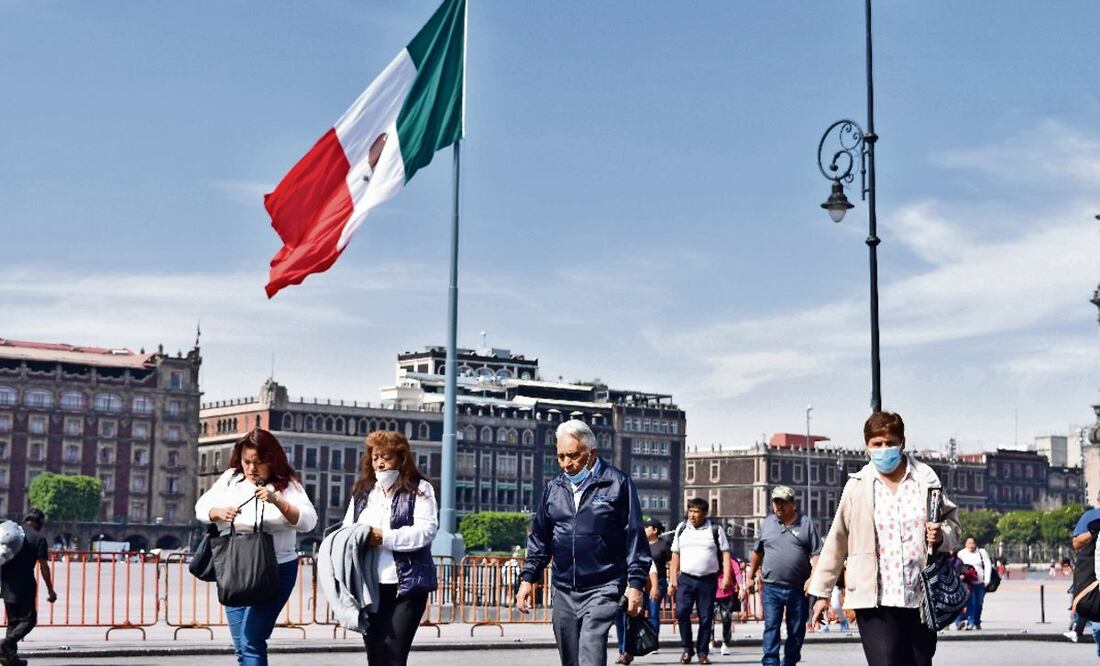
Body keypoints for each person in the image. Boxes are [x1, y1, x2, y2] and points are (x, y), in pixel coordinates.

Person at [808, 411, 961, 666]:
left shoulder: (924, 479)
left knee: (920, 663)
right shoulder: (857, 486)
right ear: (867, 447)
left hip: (919, 597)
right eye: (877, 444)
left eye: (890, 442)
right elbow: (837, 540)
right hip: (874, 599)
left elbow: (953, 526)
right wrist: (822, 594)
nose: (884, 449)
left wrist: (941, 535)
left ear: (902, 442)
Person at [516, 419, 651, 666]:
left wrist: (636, 584)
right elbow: (540, 538)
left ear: (592, 453)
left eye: (573, 456)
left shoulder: (617, 484)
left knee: (590, 646)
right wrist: (528, 579)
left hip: (605, 584)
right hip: (564, 587)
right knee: (570, 659)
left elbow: (634, 536)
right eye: (560, 457)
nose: (566, 464)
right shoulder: (553, 488)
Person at [195, 429, 318, 666]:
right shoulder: (232, 477)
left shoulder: (287, 485)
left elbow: (308, 521)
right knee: (242, 645)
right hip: (234, 568)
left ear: (272, 460)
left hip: (276, 570)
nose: (251, 468)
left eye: (259, 462)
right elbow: (202, 508)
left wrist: (277, 501)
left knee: (251, 638)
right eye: (246, 461)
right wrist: (218, 512)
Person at [343, 430, 438, 666]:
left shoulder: (420, 489)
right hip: (369, 586)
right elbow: (346, 530)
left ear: (401, 459)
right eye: (375, 457)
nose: (380, 463)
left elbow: (426, 531)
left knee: (393, 657)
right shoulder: (363, 491)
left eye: (386, 457)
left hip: (406, 587)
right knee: (375, 656)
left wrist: (384, 537)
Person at [741, 485, 821, 666]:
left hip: (798, 588)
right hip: (771, 587)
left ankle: (790, 662)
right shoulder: (768, 523)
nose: (779, 507)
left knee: (796, 629)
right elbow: (758, 552)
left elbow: (816, 554)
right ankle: (770, 662)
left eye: (783, 503)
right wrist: (750, 576)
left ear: (793, 504)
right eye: (776, 502)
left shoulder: (806, 524)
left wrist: (812, 578)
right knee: (771, 627)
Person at [668, 498, 731, 664]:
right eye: (690, 511)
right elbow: (675, 554)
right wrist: (672, 579)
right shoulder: (682, 528)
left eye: (696, 512)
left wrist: (726, 577)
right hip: (686, 579)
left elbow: (725, 554)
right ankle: (687, 649)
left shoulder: (715, 529)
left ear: (704, 513)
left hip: (707, 580)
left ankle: (702, 652)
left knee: (705, 617)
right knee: (682, 613)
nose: (692, 515)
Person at [0, 509, 56, 666]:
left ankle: (10, 658)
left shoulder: (12, 533)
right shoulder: (38, 538)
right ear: (41, 524)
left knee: (13, 622)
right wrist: (50, 590)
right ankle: (6, 643)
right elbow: (44, 567)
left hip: (6, 584)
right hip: (25, 585)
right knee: (29, 620)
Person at [614, 517, 671, 664]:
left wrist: (655, 587)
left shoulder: (638, 545)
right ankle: (623, 650)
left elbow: (650, 567)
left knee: (637, 617)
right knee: (620, 620)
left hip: (635, 587)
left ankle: (632, 648)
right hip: (618, 588)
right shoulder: (614, 544)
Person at [956, 536, 992, 630]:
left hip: (980, 582)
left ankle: (976, 621)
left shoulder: (981, 552)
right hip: (966, 583)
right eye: (969, 543)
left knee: (978, 603)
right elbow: (957, 566)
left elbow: (988, 565)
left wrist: (987, 579)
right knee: (968, 603)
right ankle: (966, 622)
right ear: (965, 544)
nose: (971, 545)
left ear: (976, 544)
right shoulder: (961, 553)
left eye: (973, 543)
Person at [713, 551, 744, 655]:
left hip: (726, 593)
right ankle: (709, 641)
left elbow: (738, 572)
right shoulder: (710, 558)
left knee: (726, 618)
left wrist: (741, 587)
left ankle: (725, 643)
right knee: (707, 619)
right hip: (710, 592)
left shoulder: (730, 559)